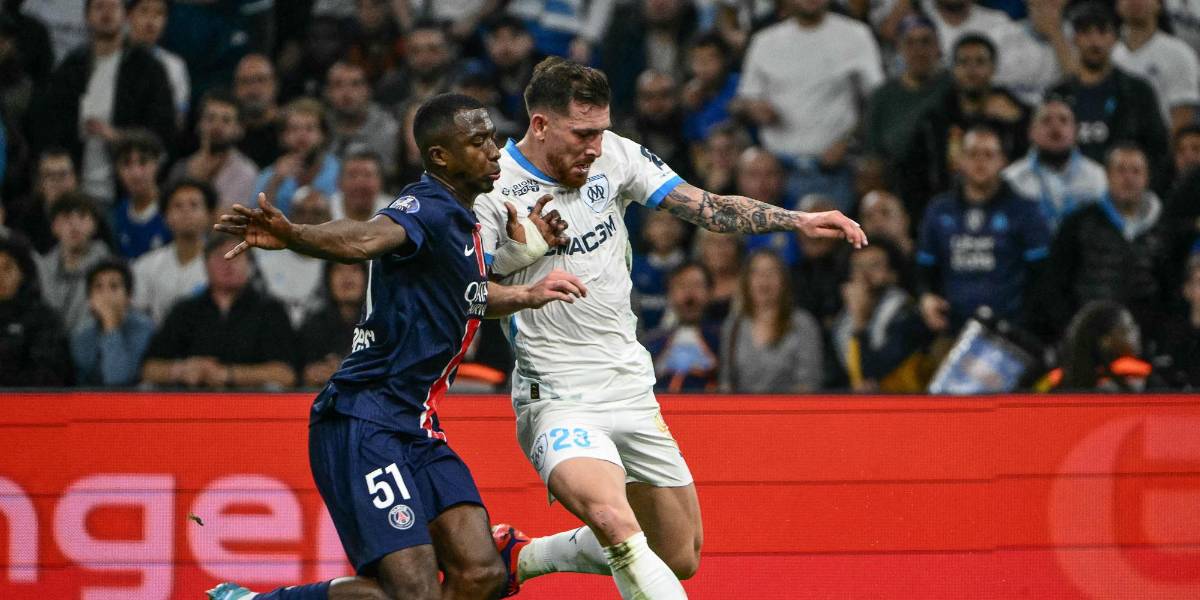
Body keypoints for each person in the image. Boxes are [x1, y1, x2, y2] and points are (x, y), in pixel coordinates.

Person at [474, 57, 865, 600]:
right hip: (558, 395)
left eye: (601, 131)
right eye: (583, 134)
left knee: (678, 554)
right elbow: (467, 298)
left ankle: (523, 556)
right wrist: (522, 286)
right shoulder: (492, 191)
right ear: (540, 125)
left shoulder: (616, 156)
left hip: (630, 387)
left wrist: (797, 219)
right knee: (613, 520)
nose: (595, 147)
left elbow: (707, 207)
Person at [206, 93, 586, 600]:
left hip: (417, 424)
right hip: (364, 418)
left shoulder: (464, 221)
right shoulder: (425, 207)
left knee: (482, 574)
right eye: (478, 142)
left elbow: (469, 296)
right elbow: (364, 238)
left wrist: (526, 294)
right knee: (411, 593)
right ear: (440, 157)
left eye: (493, 138)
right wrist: (296, 235)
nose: (495, 150)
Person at [732, 0, 883, 210]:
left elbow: (878, 101)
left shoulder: (856, 35)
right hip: (776, 174)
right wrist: (754, 107)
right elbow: (743, 99)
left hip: (833, 172)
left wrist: (850, 141)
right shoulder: (764, 41)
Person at [31, 0, 174, 207]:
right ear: (86, 16)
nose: (106, 13)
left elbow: (163, 129)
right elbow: (47, 126)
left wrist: (118, 137)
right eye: (99, 7)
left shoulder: (147, 68)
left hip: (126, 191)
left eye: (113, 7)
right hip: (76, 189)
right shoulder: (71, 67)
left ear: (125, 15)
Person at [916, 125, 1050, 339]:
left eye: (988, 154)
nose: (980, 162)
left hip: (1009, 332)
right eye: (973, 154)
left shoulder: (1025, 211)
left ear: (1003, 161)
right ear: (960, 160)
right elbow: (925, 268)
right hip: (953, 329)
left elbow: (1041, 276)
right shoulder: (939, 210)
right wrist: (926, 297)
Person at [1038, 142, 1172, 348]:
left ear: (1147, 178)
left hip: (1144, 341)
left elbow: (1167, 288)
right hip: (1087, 338)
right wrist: (1070, 330)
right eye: (1121, 170)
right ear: (1107, 176)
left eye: (1136, 171)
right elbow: (1055, 284)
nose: (1128, 178)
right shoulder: (1078, 222)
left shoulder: (1161, 227)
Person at [140, 233, 297, 390]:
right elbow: (149, 369)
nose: (228, 264)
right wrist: (182, 370)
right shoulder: (185, 310)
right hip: (193, 400)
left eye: (237, 256)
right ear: (205, 264)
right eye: (220, 257)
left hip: (253, 400)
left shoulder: (270, 310)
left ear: (249, 264)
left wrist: (229, 374)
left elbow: (286, 374)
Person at [1048, 2, 1168, 177]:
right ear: (1074, 39)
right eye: (1086, 32)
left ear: (1114, 38)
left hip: (1124, 187)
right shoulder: (1057, 95)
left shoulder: (1138, 92)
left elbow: (1157, 151)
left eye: (1102, 32)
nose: (1095, 41)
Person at [719, 249, 823, 393]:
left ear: (784, 281)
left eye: (771, 272)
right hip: (744, 406)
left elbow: (809, 383)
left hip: (790, 406)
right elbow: (726, 383)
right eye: (756, 272)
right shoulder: (733, 325)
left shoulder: (803, 324)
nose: (764, 279)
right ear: (746, 281)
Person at [833, 238, 930, 392]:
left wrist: (860, 323)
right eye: (858, 267)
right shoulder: (842, 321)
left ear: (893, 274)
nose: (865, 274)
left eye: (874, 265)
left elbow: (871, 374)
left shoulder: (908, 314)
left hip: (909, 398)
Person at [1002, 98, 1108, 232]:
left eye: (1063, 120)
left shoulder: (1098, 177)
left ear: (1075, 131)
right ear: (1031, 132)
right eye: (1046, 120)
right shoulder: (1011, 179)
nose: (1055, 127)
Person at [131, 179, 214, 324]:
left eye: (194, 205)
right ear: (165, 218)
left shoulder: (222, 265)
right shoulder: (145, 265)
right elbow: (137, 316)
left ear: (209, 216)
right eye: (178, 206)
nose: (186, 211)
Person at [1113, 0, 1200, 133]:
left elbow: (1183, 120)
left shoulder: (1179, 54)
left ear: (1159, 4)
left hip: (1161, 141)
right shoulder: (1109, 54)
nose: (1135, 2)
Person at [166, 89, 259, 211]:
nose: (217, 126)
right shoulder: (180, 168)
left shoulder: (246, 172)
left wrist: (201, 182)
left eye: (226, 120)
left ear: (239, 129)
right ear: (199, 124)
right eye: (210, 118)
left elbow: (231, 218)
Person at [34, 191, 112, 333]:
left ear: (94, 224)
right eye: (66, 217)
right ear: (54, 226)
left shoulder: (108, 267)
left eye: (82, 216)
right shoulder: (42, 269)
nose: (74, 225)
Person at [1039, 299, 1157, 392]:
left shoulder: (1051, 381)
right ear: (1105, 340)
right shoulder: (1138, 377)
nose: (1137, 333)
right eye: (1128, 329)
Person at [70, 258, 154, 386]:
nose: (106, 295)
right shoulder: (81, 335)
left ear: (129, 297)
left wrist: (110, 324)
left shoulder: (144, 330)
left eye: (114, 287)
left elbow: (118, 381)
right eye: (98, 287)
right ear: (90, 299)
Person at [252, 98, 341, 217]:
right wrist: (276, 181)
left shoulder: (340, 172)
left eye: (309, 129)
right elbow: (257, 219)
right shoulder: (270, 176)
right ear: (283, 137)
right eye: (294, 129)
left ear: (323, 135)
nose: (302, 135)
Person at [0, 235, 70, 386]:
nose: (1, 277)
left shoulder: (44, 319)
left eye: (7, 268)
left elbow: (48, 376)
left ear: (23, 272)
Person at [642, 262, 722, 393]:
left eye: (697, 285)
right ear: (670, 294)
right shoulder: (652, 340)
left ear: (710, 293)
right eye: (682, 286)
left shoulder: (724, 338)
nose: (689, 294)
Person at [297, 261, 367, 389]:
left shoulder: (381, 324)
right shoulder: (313, 326)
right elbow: (298, 374)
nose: (347, 277)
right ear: (327, 278)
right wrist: (313, 374)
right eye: (338, 269)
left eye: (355, 269)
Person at [325, 61, 400, 178]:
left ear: (368, 90)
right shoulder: (320, 126)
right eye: (338, 85)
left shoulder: (388, 129)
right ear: (328, 92)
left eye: (355, 84)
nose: (347, 92)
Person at [110, 128, 171, 260]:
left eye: (143, 162)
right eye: (126, 164)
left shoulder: (172, 209)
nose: (136, 173)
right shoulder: (117, 214)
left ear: (157, 164)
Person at [126, 0, 189, 124]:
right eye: (144, 11)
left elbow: (178, 117)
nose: (151, 21)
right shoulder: (110, 57)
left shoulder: (175, 66)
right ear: (128, 16)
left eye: (159, 13)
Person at [631, 209, 689, 332]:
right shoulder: (632, 267)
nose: (665, 228)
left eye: (672, 221)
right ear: (646, 229)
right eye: (658, 221)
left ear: (682, 227)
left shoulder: (692, 268)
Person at [233, 53, 283, 169]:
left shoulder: (290, 131)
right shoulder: (228, 136)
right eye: (245, 82)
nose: (253, 89)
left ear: (275, 85)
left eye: (261, 80)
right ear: (235, 89)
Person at [329, 148, 392, 221]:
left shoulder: (395, 214)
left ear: (381, 181)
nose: (359, 183)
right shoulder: (326, 209)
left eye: (367, 175)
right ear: (339, 182)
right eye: (352, 175)